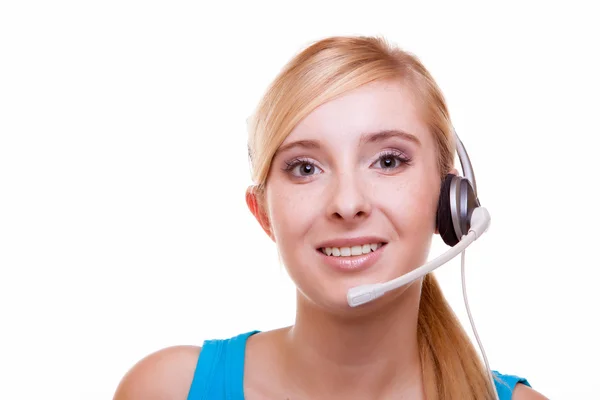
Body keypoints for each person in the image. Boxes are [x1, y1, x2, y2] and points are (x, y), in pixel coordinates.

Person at [113, 35, 548, 400]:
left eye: (388, 161)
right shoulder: (166, 388)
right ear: (263, 214)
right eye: (305, 168)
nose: (347, 202)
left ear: (450, 200)